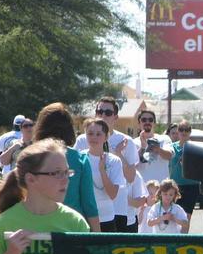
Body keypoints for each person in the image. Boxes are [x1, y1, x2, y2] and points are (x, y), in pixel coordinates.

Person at [33, 102, 100, 232]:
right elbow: (89, 204)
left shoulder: (29, 156)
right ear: (69, 128)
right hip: (73, 230)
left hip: (37, 231)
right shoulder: (80, 159)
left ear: (41, 127)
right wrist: (98, 239)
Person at [74, 97, 139, 232]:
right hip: (87, 211)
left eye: (108, 112)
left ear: (115, 116)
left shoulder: (126, 141)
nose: (103, 115)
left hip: (117, 209)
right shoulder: (81, 141)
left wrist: (117, 153)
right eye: (99, 111)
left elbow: (131, 178)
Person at [81, 119, 126, 232]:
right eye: (90, 134)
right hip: (84, 217)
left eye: (98, 134)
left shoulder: (114, 161)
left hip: (106, 218)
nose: (94, 137)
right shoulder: (80, 158)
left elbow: (112, 194)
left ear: (106, 137)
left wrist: (102, 171)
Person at [169, 120, 200, 233]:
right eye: (181, 129)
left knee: (186, 216)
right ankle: (173, 238)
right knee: (172, 215)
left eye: (186, 130)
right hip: (175, 185)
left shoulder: (195, 147)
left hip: (191, 186)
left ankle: (183, 239)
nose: (184, 132)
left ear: (190, 132)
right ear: (178, 131)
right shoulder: (171, 147)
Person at [133, 110, 173, 184]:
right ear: (139, 123)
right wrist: (143, 146)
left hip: (162, 189)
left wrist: (157, 149)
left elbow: (169, 156)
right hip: (142, 189)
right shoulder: (133, 142)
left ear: (154, 123)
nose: (147, 122)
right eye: (144, 120)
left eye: (150, 120)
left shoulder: (164, 139)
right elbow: (133, 165)